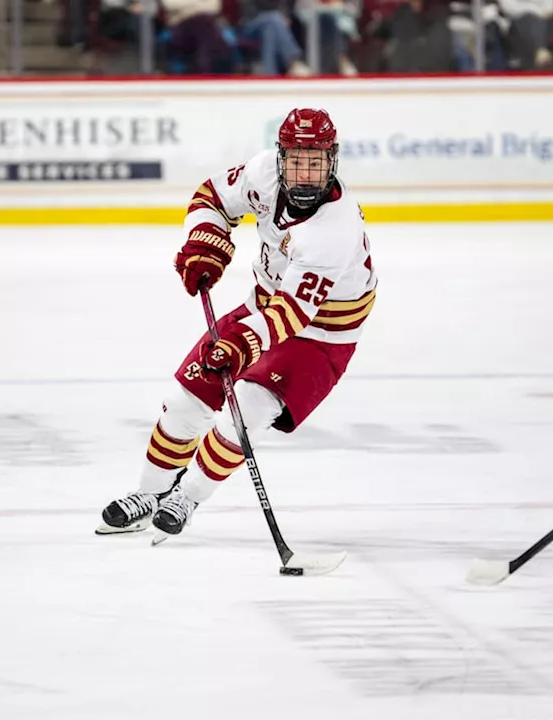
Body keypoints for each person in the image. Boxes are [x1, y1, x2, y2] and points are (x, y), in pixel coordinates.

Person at [97, 108, 377, 539]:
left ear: (332, 161)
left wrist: (244, 343)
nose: (305, 174)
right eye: (297, 161)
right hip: (261, 304)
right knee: (186, 398)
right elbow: (211, 197)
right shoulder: (263, 171)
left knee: (247, 410)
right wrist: (205, 240)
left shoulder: (333, 231)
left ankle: (185, 498)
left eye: (316, 162)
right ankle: (149, 493)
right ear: (282, 158)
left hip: (321, 334)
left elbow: (292, 314)